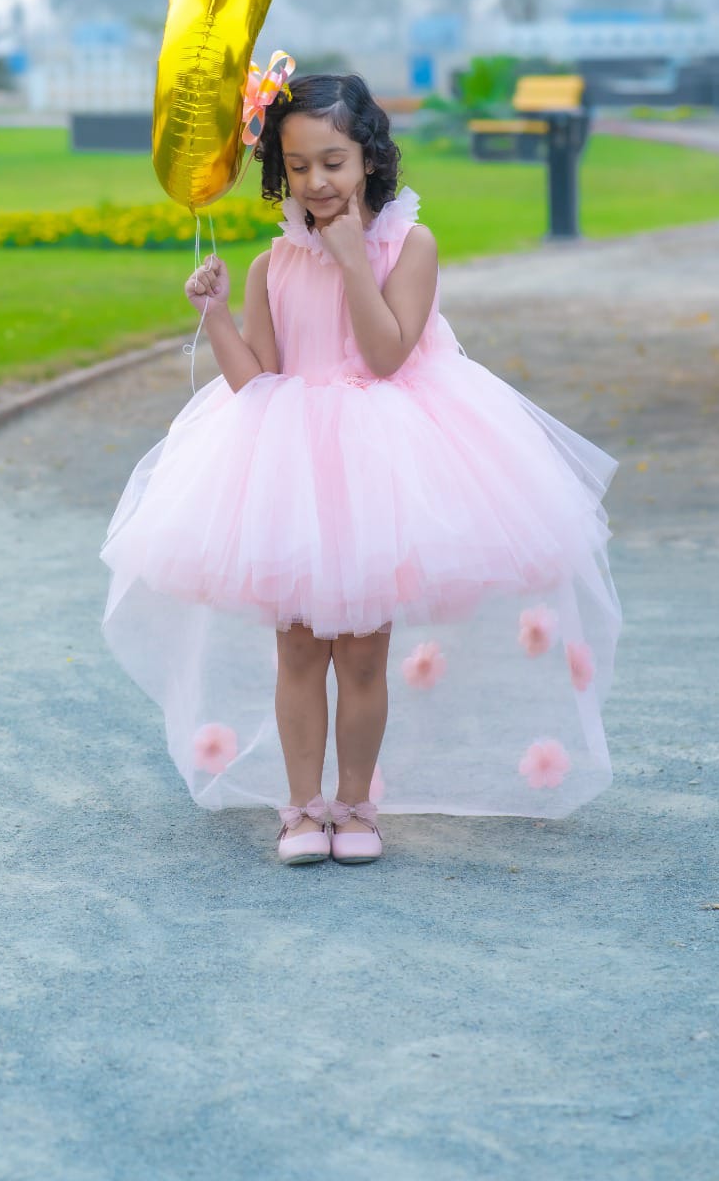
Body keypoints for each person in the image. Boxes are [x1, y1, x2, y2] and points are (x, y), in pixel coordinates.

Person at [99, 70, 621, 867]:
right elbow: (257, 384)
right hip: (292, 470)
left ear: (370, 159)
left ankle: (357, 804)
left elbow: (384, 357)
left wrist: (350, 258)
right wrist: (215, 317)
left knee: (365, 653)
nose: (317, 183)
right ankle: (302, 807)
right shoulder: (273, 263)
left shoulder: (410, 246)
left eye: (334, 163)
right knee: (300, 649)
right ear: (280, 168)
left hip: (383, 466)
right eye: (299, 167)